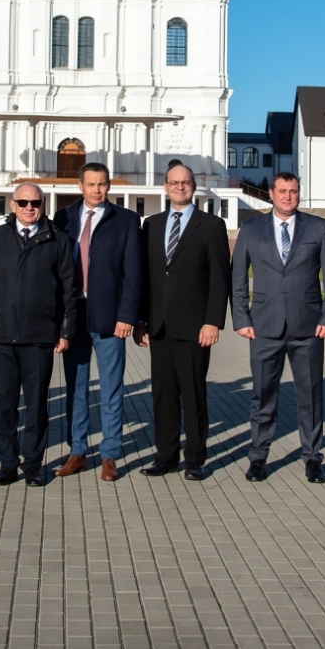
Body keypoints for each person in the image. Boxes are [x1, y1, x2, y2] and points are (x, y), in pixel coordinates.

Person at [230, 172, 325, 484]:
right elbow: (237, 277)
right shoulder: (252, 229)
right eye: (282, 191)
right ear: (270, 193)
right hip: (263, 327)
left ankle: (312, 458)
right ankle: (258, 456)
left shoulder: (318, 228)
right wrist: (241, 319)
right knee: (263, 394)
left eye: (293, 191)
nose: (288, 196)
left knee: (310, 394)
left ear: (299, 194)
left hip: (308, 327)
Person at [0, 182, 77, 487]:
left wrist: (65, 330)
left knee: (36, 405)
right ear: (12, 204)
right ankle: (8, 463)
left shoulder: (57, 239)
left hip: (40, 335)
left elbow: (68, 289)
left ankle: (33, 464)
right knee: (5, 405)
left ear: (43, 204)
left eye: (35, 202)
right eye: (23, 202)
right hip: (3, 335)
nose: (29, 207)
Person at [136, 163, 230, 480]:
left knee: (192, 394)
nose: (180, 187)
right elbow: (145, 278)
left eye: (186, 182)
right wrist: (140, 321)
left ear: (194, 186)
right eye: (174, 183)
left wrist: (213, 321)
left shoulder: (211, 226)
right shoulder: (151, 225)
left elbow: (220, 278)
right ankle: (165, 456)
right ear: (165, 187)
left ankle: (195, 459)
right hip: (158, 325)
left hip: (194, 327)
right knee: (162, 395)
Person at [52, 162, 141, 481]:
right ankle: (77, 451)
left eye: (102, 184)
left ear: (109, 186)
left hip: (109, 318)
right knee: (75, 388)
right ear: (80, 185)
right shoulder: (63, 218)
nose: (97, 190)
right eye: (91, 184)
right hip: (73, 317)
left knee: (111, 387)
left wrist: (127, 316)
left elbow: (133, 273)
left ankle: (110, 454)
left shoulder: (127, 220)